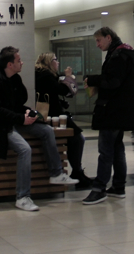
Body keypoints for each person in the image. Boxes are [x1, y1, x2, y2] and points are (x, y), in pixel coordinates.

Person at [0, 46, 78, 212]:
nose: (22, 63)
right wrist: (21, 118)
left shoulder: (14, 79)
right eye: (19, 60)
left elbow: (18, 102)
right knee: (25, 149)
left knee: (47, 131)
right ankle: (22, 197)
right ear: (10, 64)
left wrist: (27, 112)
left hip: (14, 120)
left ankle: (56, 174)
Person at [82, 27, 134, 205]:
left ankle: (99, 189)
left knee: (106, 150)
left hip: (112, 110)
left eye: (99, 40)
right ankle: (118, 186)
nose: (97, 44)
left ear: (108, 37)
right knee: (117, 149)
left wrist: (92, 80)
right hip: (122, 110)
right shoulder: (126, 53)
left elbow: (112, 82)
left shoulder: (118, 56)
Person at [35, 52, 92, 188]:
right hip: (54, 115)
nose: (58, 62)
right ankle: (77, 171)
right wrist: (68, 78)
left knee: (75, 139)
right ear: (49, 62)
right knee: (77, 137)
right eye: (55, 60)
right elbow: (61, 90)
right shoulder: (46, 75)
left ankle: (77, 171)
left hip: (48, 114)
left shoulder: (39, 74)